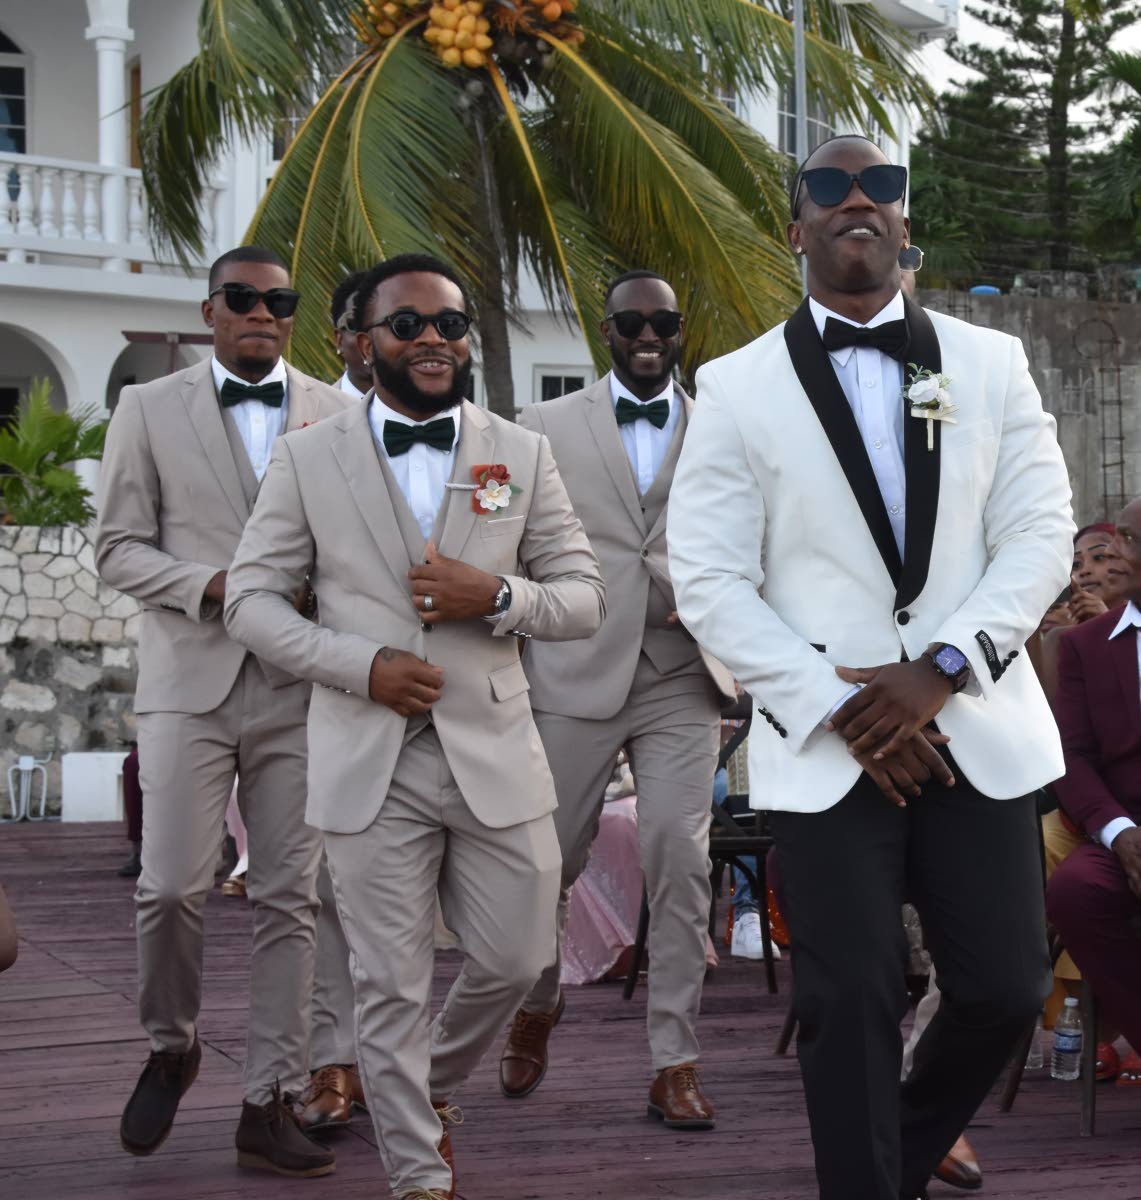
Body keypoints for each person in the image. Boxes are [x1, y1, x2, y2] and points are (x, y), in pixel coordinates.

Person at [667, 134, 1074, 1200]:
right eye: (829, 186)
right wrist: (838, 706)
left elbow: (1039, 534)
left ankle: (888, 1153)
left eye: (880, 184)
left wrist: (942, 666)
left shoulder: (989, 363)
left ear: (903, 219)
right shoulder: (734, 385)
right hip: (824, 742)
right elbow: (708, 578)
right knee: (845, 998)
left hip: (970, 724)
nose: (858, 200)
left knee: (1005, 987)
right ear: (795, 227)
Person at [223, 252, 605, 1200]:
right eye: (407, 324)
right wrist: (359, 665)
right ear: (362, 345)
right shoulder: (307, 456)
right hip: (367, 754)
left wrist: (499, 596)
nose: (433, 339)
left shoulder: (520, 452)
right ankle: (416, 1175)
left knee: (518, 955)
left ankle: (423, 1084)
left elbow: (583, 596)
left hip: (494, 749)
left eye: (450, 323)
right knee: (388, 982)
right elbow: (251, 602)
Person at [95, 245, 352, 1178]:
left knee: (292, 896)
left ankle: (267, 1099)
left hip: (299, 687)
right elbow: (116, 548)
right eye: (241, 298)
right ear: (209, 311)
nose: (260, 314)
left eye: (279, 302)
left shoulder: (339, 412)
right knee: (169, 886)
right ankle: (172, 1044)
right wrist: (214, 585)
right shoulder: (147, 407)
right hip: (187, 684)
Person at [501, 271, 735, 1129]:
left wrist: (721, 608)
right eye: (631, 321)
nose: (647, 335)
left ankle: (674, 1060)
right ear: (604, 330)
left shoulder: (723, 427)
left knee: (679, 857)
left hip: (681, 671)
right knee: (548, 860)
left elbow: (753, 534)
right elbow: (511, 539)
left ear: (680, 331)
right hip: (572, 667)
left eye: (662, 322)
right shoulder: (543, 424)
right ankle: (536, 1002)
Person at [1046, 497, 1141, 1086]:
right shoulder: (1086, 644)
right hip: (1123, 827)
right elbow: (1071, 756)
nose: (1115, 555)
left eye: (1128, 541)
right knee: (1075, 889)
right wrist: (1121, 834)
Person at [331, 269, 373, 399]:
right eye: (357, 324)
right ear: (339, 340)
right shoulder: (312, 408)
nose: (372, 336)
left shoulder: (425, 407)